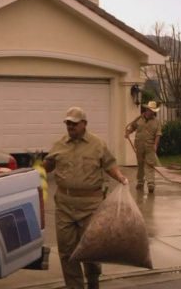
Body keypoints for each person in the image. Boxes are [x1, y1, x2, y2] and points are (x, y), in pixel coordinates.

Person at [43, 106, 129, 289]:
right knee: (66, 252)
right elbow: (47, 166)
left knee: (90, 250)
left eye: (74, 124)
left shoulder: (97, 144)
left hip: (90, 207)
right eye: (68, 123)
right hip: (64, 206)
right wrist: (36, 168)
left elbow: (109, 164)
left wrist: (120, 177)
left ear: (84, 124)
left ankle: (93, 280)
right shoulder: (59, 144)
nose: (70, 127)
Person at [124, 101, 162, 193]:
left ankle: (151, 184)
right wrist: (128, 132)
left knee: (149, 164)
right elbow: (132, 127)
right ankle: (140, 182)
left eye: (152, 111)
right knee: (140, 164)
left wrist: (156, 145)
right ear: (146, 109)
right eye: (149, 110)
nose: (151, 112)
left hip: (150, 146)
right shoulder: (138, 119)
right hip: (139, 146)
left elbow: (158, 134)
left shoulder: (157, 122)